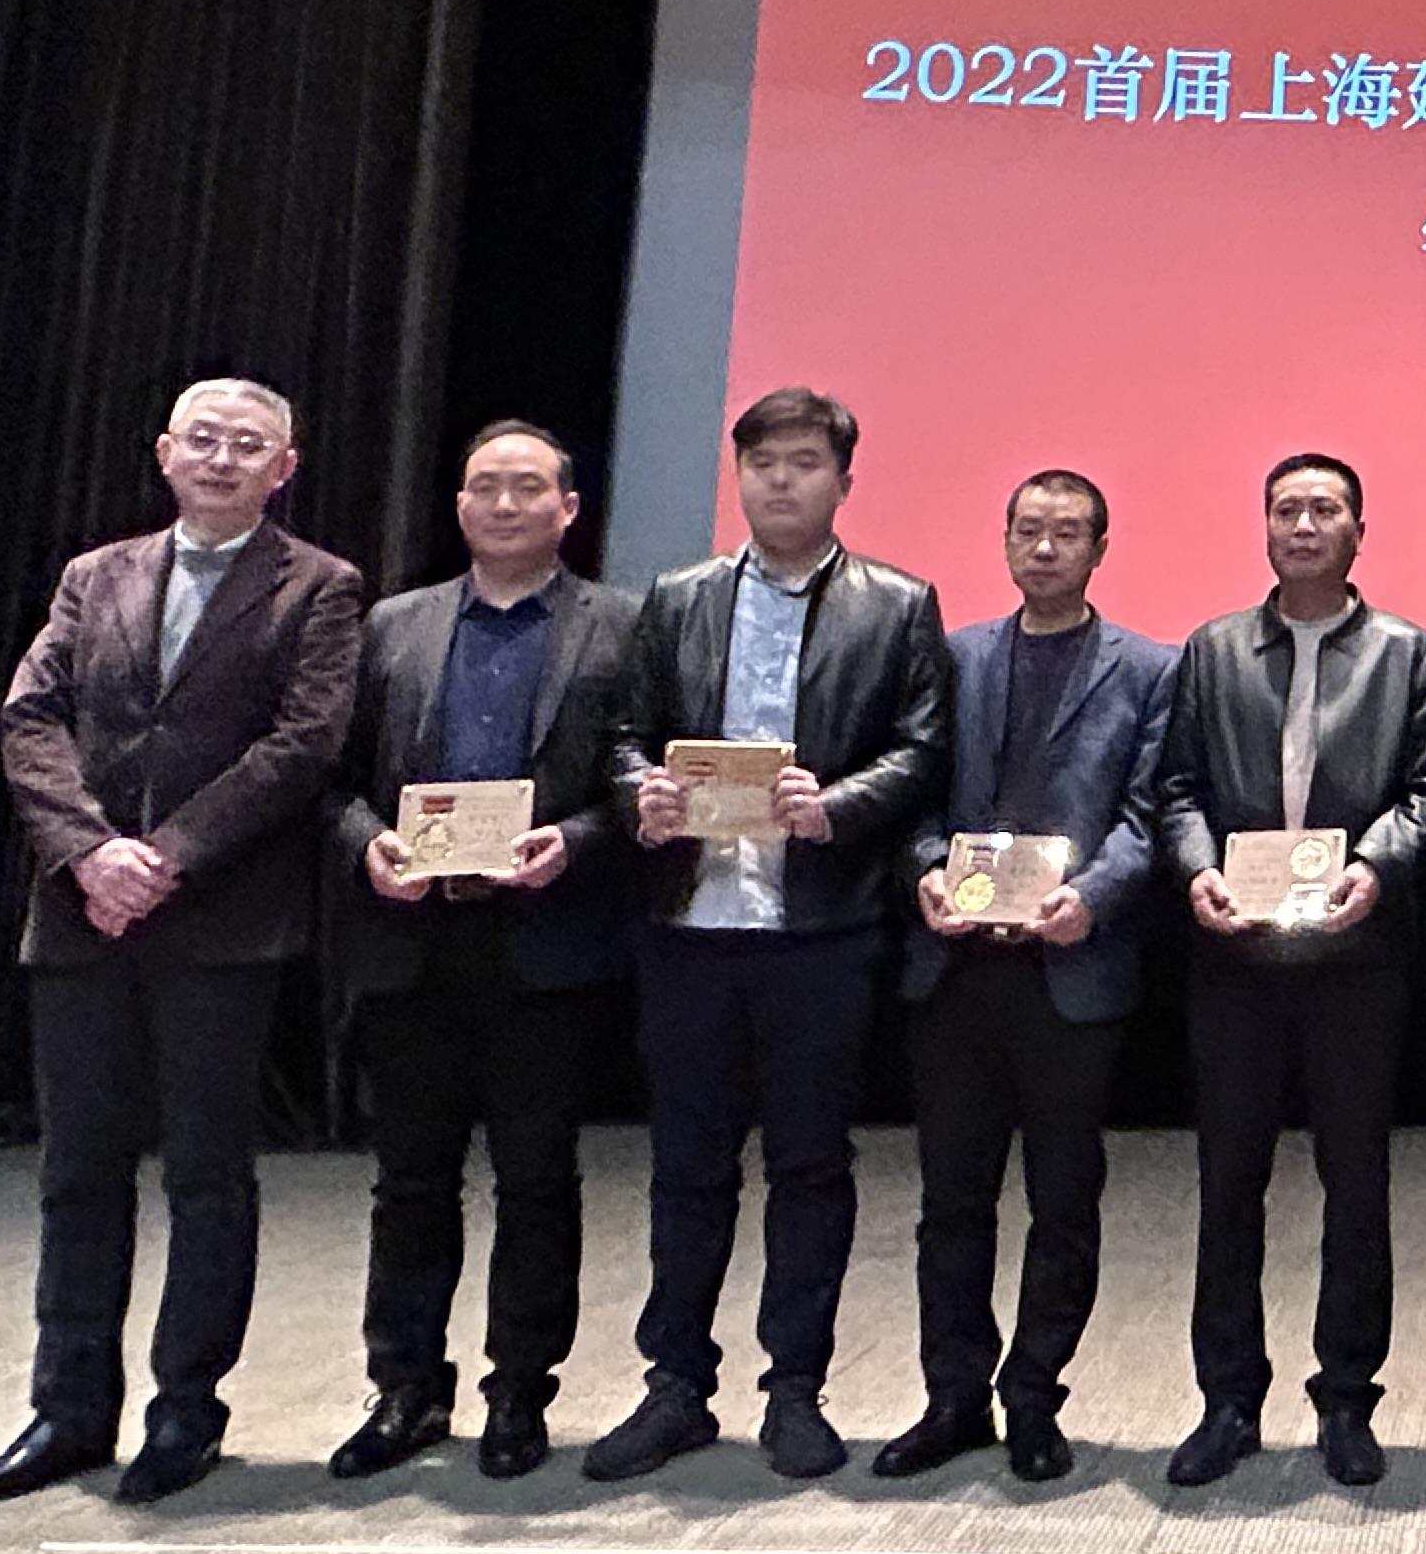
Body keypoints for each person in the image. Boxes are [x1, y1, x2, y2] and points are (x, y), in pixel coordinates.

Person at [0, 377, 367, 1508]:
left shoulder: (320, 587)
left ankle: (186, 1407)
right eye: (205, 439)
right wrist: (90, 854)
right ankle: (67, 1409)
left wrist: (169, 857)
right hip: (81, 913)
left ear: (284, 469)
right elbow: (31, 719)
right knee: (77, 1171)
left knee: (206, 1175)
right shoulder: (96, 575)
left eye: (249, 445)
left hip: (219, 922)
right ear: (165, 452)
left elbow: (304, 744)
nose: (223, 459)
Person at [587, 386, 947, 1483]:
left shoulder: (897, 604)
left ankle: (796, 1389)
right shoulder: (680, 597)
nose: (780, 482)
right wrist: (640, 792)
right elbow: (623, 735)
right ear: (737, 477)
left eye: (803, 463)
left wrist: (836, 805)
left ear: (844, 481)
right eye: (761, 464)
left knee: (809, 1166)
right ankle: (675, 1386)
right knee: (686, 1166)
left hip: (819, 926)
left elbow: (922, 748)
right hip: (691, 922)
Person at [322, 421, 641, 1483]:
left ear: (568, 508)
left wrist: (578, 842)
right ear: (459, 506)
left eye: (527, 488)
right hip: (410, 940)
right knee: (409, 1184)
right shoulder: (393, 625)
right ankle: (406, 1388)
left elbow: (639, 779)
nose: (505, 505)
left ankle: (519, 1391)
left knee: (537, 1182)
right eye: (485, 488)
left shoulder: (621, 627)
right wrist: (369, 847)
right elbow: (335, 781)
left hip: (545, 945)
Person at [1152, 452, 1426, 1490]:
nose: (1306, 525)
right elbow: (1177, 788)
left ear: (1360, 530)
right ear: (1265, 527)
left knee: (1355, 1185)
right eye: (1287, 509)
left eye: (1326, 509)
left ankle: (1347, 1399)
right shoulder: (1212, 650)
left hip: (1356, 957)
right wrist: (1196, 870)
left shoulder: (1408, 653)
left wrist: (1378, 865)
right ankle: (1228, 1401)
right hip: (1236, 956)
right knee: (1227, 1184)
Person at [878, 468, 1174, 1486]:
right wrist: (925, 869)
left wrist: (1093, 895)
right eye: (1029, 531)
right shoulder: (953, 657)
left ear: (1100, 550)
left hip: (1070, 964)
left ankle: (1035, 1394)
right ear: (1004, 541)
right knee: (951, 1201)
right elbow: (913, 791)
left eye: (1067, 534)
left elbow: (1148, 814)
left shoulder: (1150, 669)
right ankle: (952, 1397)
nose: (1045, 549)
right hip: (955, 969)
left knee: (1064, 1199)